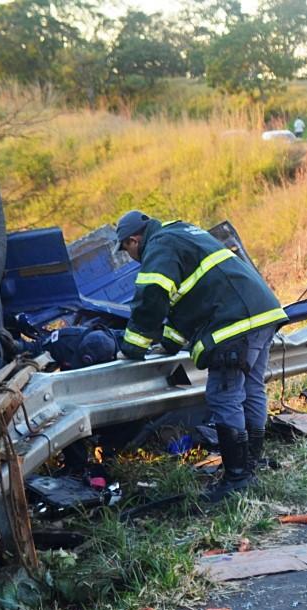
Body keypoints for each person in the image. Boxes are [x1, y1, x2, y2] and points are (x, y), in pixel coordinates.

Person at [115, 210, 288, 501]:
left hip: (234, 323)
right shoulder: (181, 232)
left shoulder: (158, 247)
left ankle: (237, 477)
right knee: (251, 389)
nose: (129, 256)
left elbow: (151, 300)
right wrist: (168, 344)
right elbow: (189, 303)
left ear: (133, 240)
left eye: (126, 249)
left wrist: (133, 347)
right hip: (262, 312)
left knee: (224, 396)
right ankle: (251, 462)